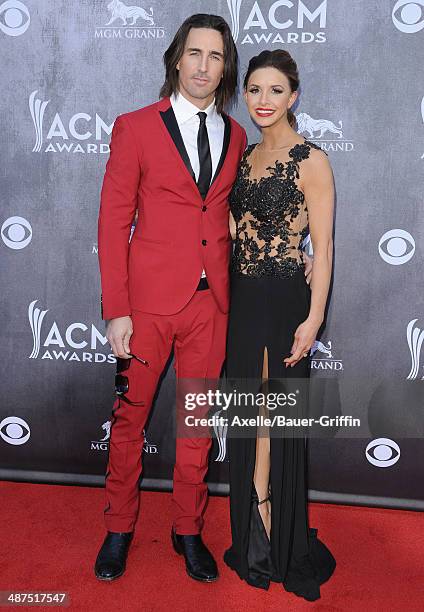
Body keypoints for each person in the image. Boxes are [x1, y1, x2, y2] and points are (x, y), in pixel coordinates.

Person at [94, 14, 247, 582]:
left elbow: (231, 213)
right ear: (176, 59)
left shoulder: (236, 135)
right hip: (149, 304)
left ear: (225, 66)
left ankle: (188, 530)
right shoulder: (135, 127)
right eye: (194, 53)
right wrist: (117, 309)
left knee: (197, 424)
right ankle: (119, 527)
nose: (204, 65)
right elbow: (113, 222)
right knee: (129, 421)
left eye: (215, 55)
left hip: (212, 305)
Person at [223, 49, 336, 602]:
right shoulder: (242, 156)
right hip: (242, 301)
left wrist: (314, 316)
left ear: (294, 97)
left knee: (271, 413)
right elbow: (230, 224)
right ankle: (252, 521)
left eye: (275, 91)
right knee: (249, 412)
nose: (263, 100)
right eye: (254, 90)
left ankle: (268, 528)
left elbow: (326, 245)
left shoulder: (311, 159)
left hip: (284, 299)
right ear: (245, 95)